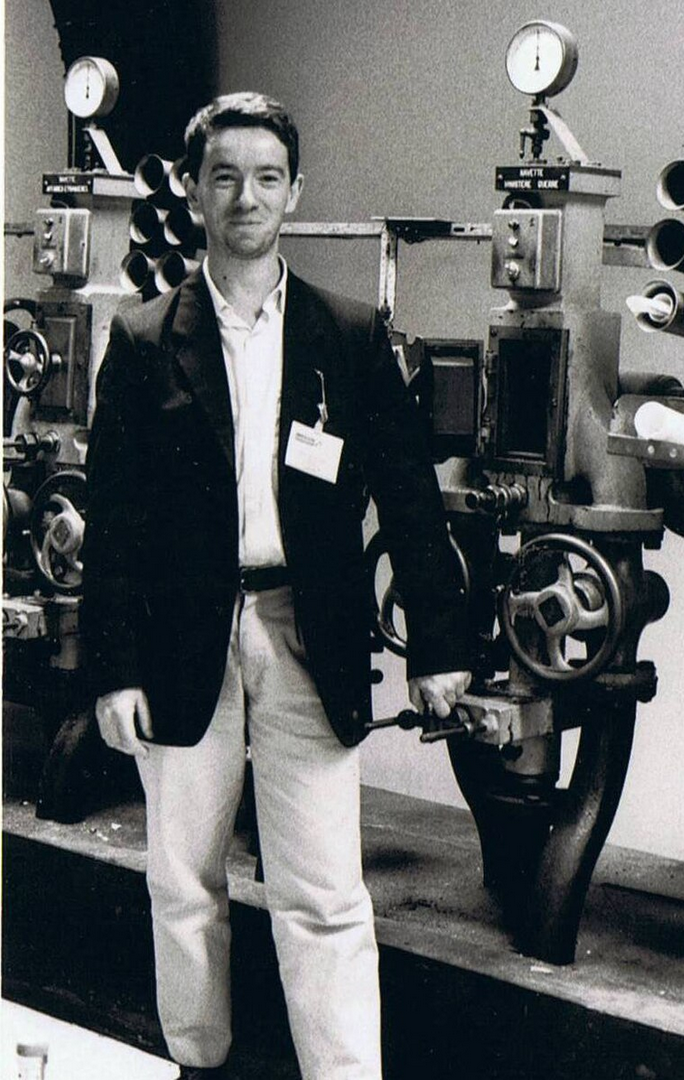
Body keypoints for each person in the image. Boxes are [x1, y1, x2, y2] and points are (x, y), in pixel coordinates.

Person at [81, 91, 471, 1080]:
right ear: (191, 191)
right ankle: (197, 1061)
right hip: (182, 637)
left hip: (308, 628)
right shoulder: (142, 338)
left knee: (325, 890)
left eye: (266, 177)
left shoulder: (350, 333)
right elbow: (113, 517)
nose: (246, 197)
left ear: (295, 191)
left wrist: (439, 647)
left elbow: (410, 499)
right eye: (224, 177)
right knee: (182, 881)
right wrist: (113, 669)